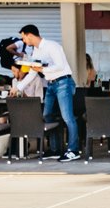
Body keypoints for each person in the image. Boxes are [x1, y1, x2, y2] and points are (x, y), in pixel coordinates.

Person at [19, 23, 80, 162]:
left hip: (63, 82)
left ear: (30, 35)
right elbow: (33, 72)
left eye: (23, 38)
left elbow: (60, 65)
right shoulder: (35, 51)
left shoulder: (52, 46)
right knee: (47, 115)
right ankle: (55, 149)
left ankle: (73, 150)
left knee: (67, 117)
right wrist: (19, 87)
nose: (23, 41)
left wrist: (42, 70)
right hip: (51, 84)